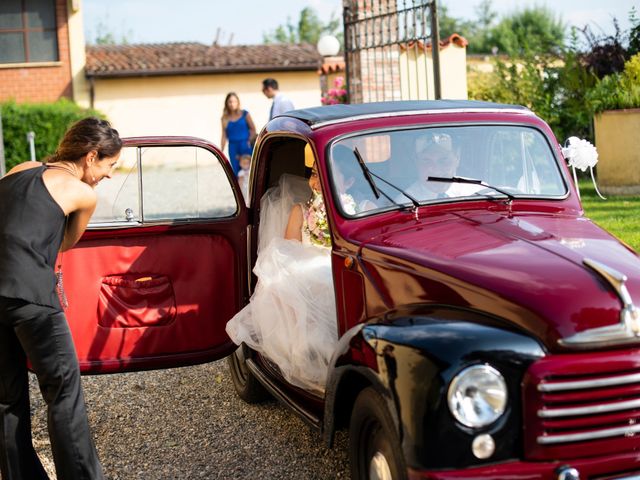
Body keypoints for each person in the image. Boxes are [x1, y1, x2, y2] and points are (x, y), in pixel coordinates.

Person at [0, 117, 122, 480]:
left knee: (7, 397)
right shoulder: (83, 193)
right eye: (109, 165)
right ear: (91, 156)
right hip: (31, 296)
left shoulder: (20, 168)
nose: (109, 175)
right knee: (63, 393)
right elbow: (65, 242)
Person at [226, 162, 337, 393]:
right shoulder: (301, 211)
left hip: (334, 267)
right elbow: (289, 251)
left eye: (322, 176)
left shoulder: (355, 208)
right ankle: (311, 360)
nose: (316, 182)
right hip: (308, 269)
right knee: (291, 284)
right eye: (314, 175)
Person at [403, 140, 480, 201]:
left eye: (444, 160)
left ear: (457, 158)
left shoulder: (479, 191)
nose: (436, 170)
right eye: (426, 161)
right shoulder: (405, 203)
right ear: (416, 162)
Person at [220, 92, 256, 176]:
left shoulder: (245, 114)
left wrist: (249, 140)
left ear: (238, 102)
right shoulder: (224, 118)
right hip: (233, 147)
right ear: (227, 103)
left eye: (234, 101)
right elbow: (224, 135)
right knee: (237, 172)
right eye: (230, 102)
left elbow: (253, 129)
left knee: (249, 171)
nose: (232, 104)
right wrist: (221, 151)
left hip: (245, 145)